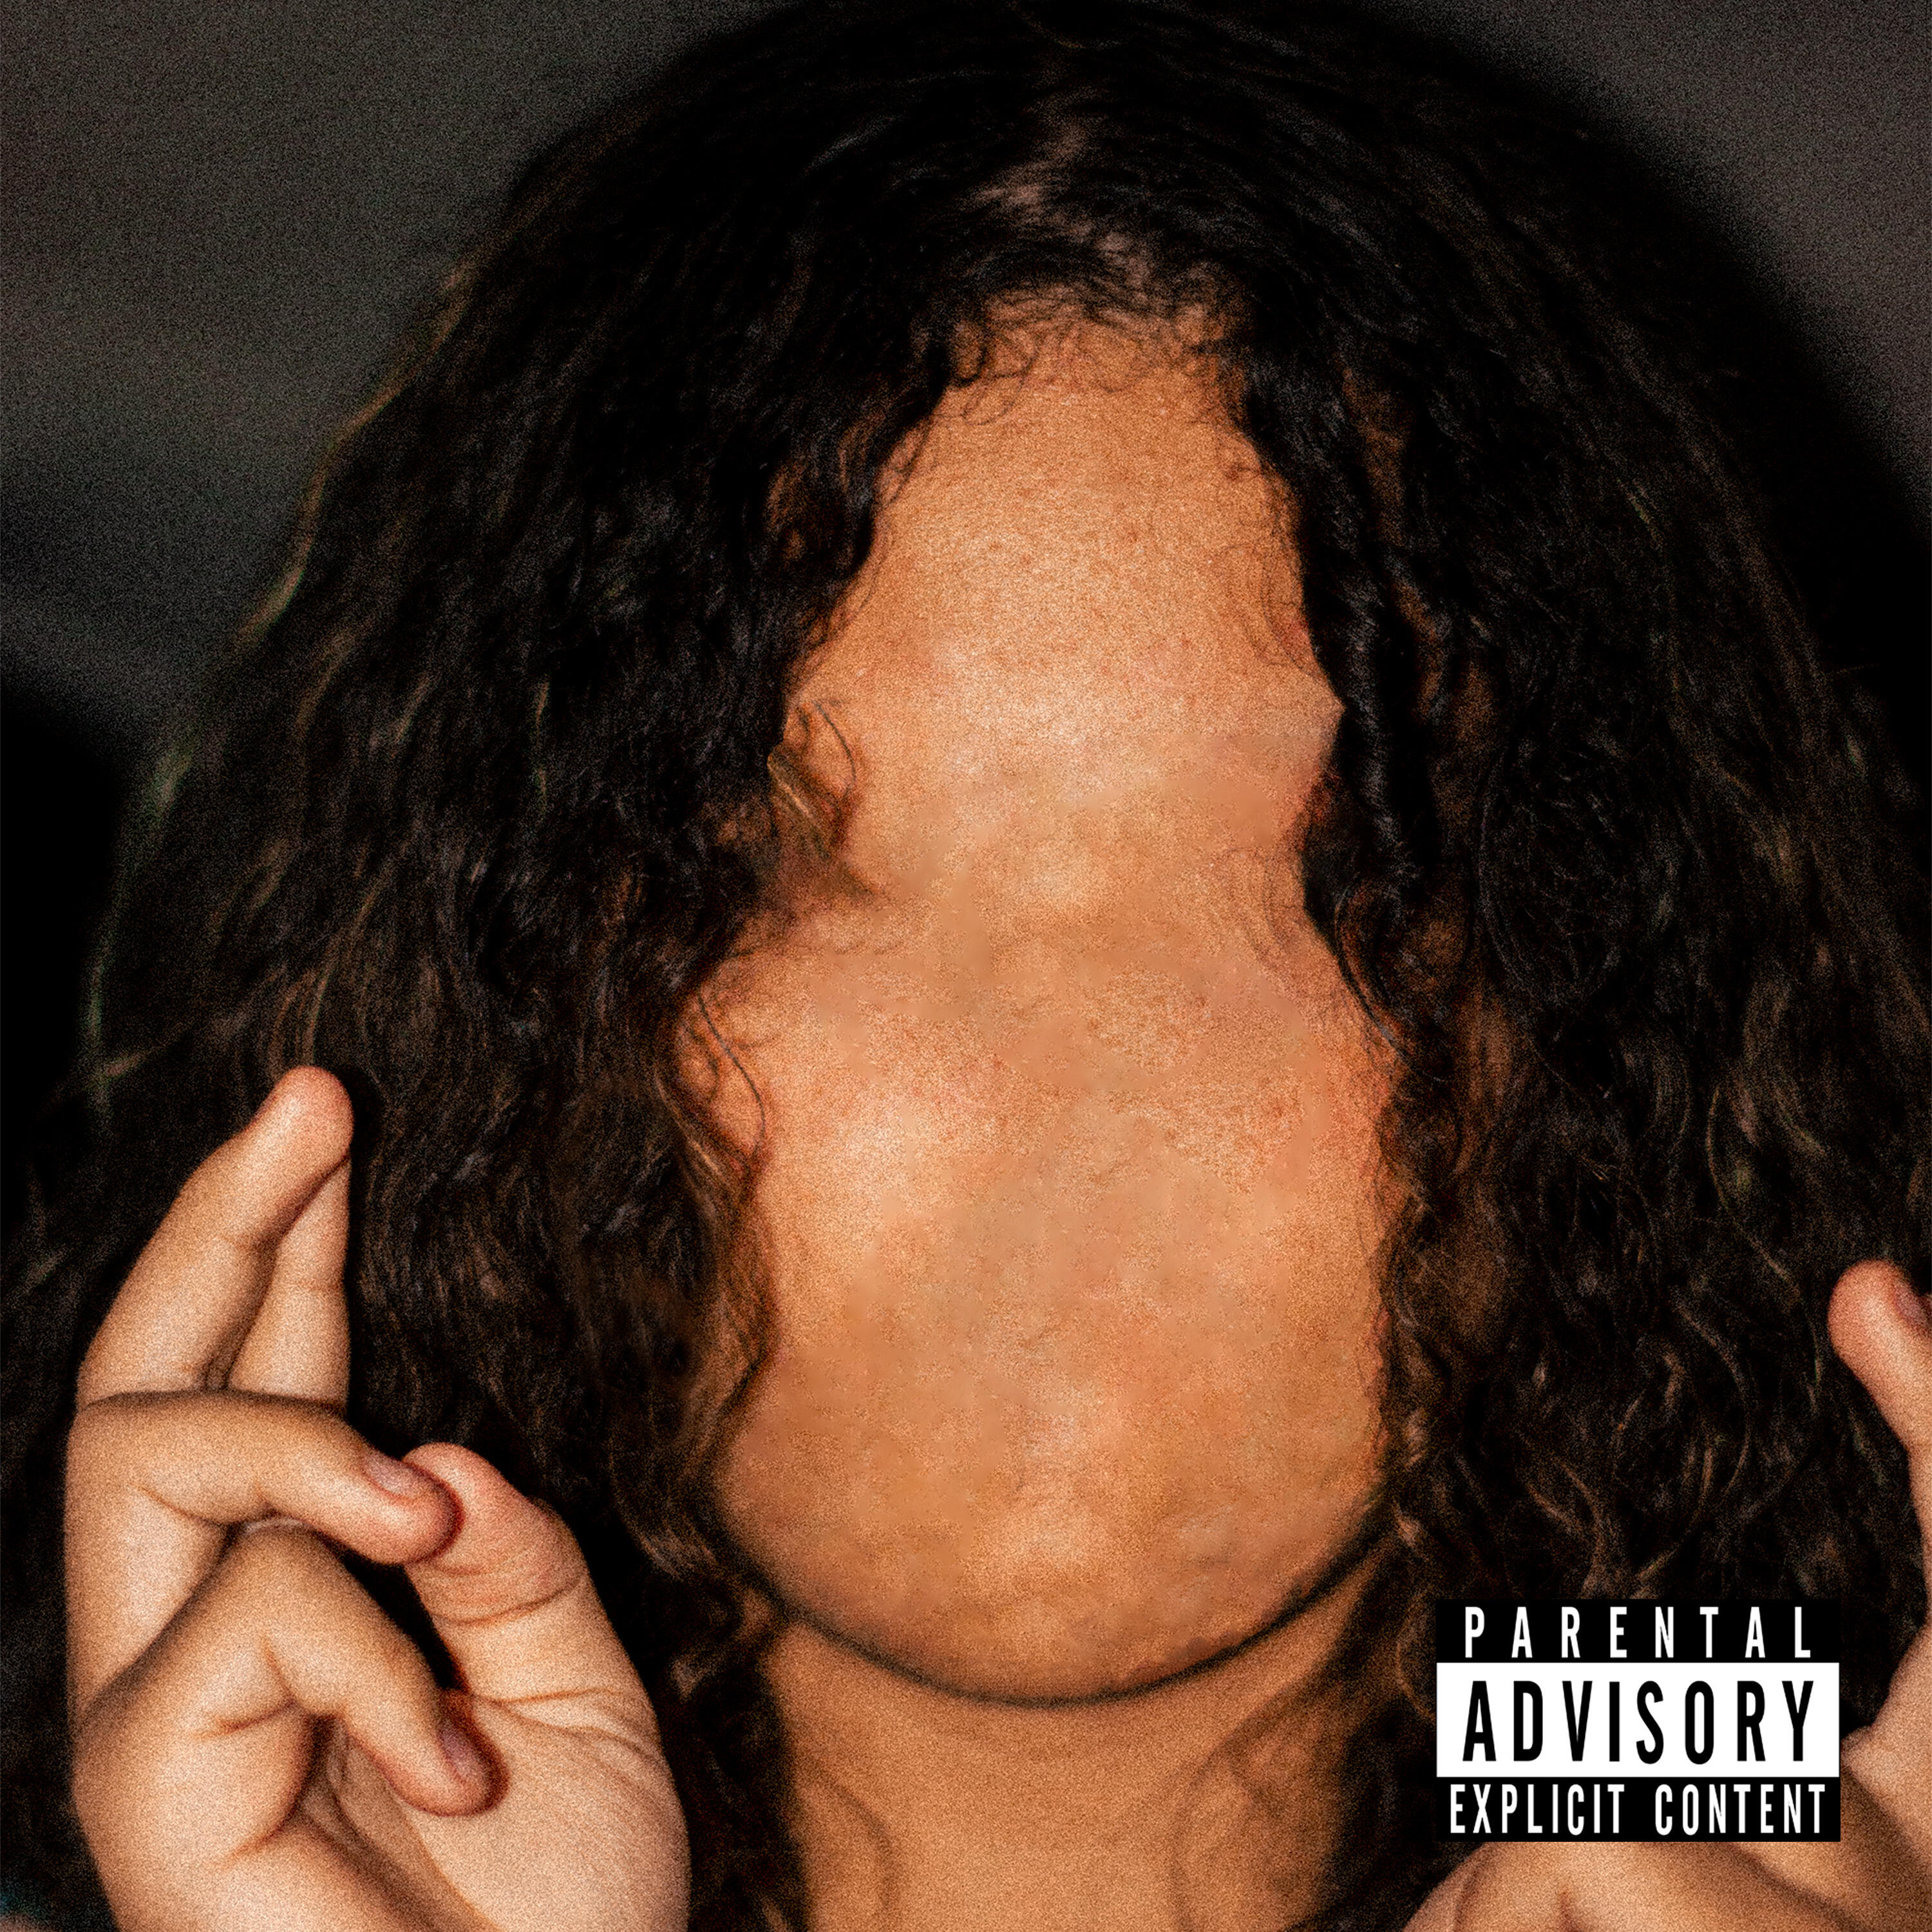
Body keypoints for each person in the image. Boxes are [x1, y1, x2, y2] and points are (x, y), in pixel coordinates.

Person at [3, 2, 1926, 1927]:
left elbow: (1702, 1723)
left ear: (1593, 1010)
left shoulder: (1702, 1738)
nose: (1062, 1083)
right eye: (775, 868)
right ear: (503, 989)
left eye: (1331, 873)